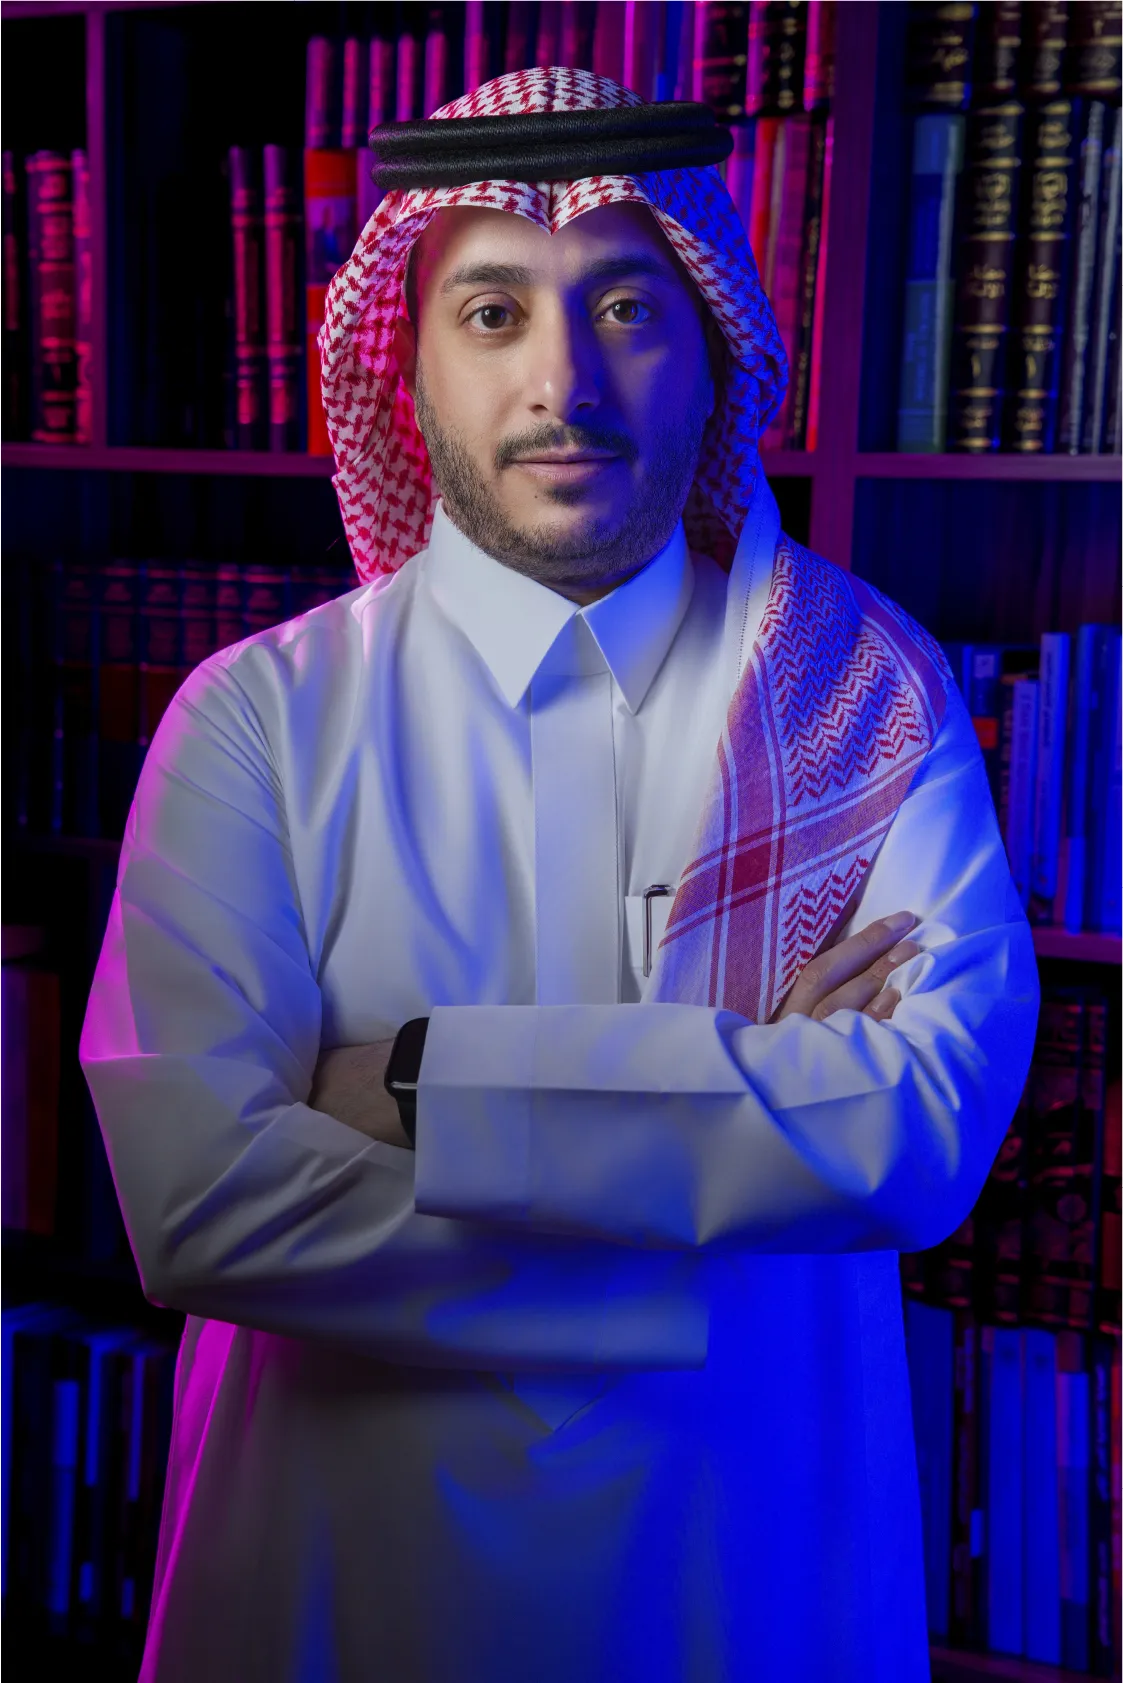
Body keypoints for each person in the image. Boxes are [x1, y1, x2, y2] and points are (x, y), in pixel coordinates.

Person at [80, 69, 1039, 1683]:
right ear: (404, 363)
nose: (561, 380)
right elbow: (199, 1204)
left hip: (751, 1554)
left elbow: (920, 1134)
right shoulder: (258, 716)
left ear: (714, 348)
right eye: (491, 313)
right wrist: (737, 1137)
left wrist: (411, 1081)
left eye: (626, 309)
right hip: (334, 1562)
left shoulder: (856, 690)